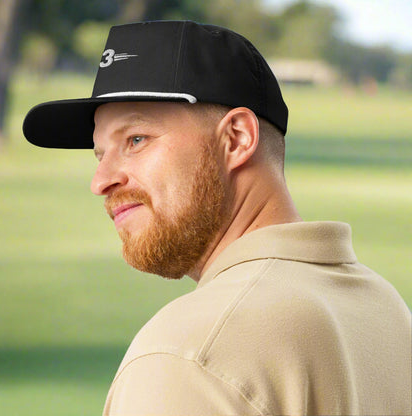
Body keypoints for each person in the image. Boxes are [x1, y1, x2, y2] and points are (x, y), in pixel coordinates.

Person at [23, 21, 411, 416]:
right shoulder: (384, 309)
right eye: (99, 153)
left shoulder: (186, 357)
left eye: (136, 139)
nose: (101, 181)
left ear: (237, 138)